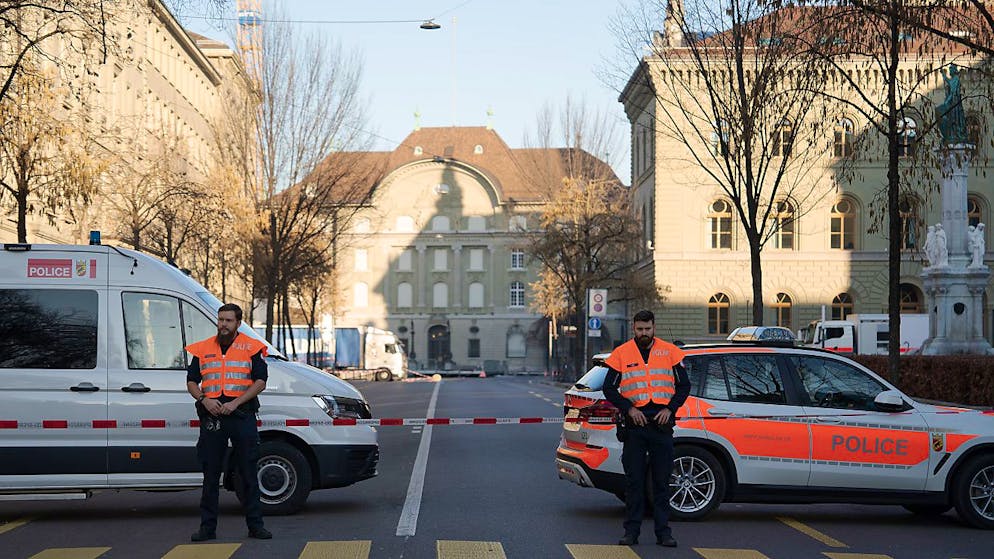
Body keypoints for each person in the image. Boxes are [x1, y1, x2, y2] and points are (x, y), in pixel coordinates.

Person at [602, 309, 691, 548]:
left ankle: (664, 533)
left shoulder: (670, 352)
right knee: (634, 483)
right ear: (634, 328)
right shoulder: (622, 353)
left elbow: (684, 386)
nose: (644, 333)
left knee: (662, 482)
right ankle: (631, 532)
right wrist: (629, 409)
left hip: (661, 425)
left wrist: (670, 409)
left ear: (654, 328)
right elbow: (609, 388)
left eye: (647, 329)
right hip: (635, 426)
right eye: (640, 329)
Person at [186, 303, 272, 541]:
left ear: (238, 323)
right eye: (220, 320)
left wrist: (235, 403)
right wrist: (204, 400)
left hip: (241, 414)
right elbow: (191, 381)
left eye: (228, 320)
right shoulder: (203, 348)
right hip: (212, 415)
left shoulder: (251, 347)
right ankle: (207, 528)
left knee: (248, 472)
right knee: (211, 474)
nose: (223, 324)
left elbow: (260, 381)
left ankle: (256, 526)